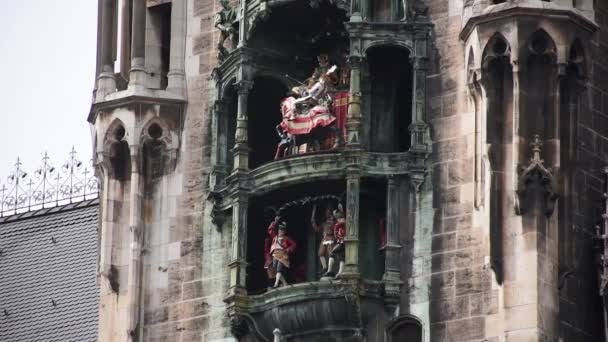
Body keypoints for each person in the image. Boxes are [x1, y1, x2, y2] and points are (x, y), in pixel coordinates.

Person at [268, 219, 297, 288]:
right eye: (280, 230)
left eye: (282, 231)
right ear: (278, 231)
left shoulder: (286, 238)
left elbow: (294, 244)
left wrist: (288, 249)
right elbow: (270, 230)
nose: (281, 232)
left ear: (284, 232)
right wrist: (275, 221)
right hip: (275, 254)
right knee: (275, 269)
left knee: (279, 269)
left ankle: (276, 284)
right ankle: (284, 283)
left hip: (283, 254)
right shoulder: (275, 237)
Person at [311, 204, 336, 274]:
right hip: (324, 239)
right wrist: (313, 221)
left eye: (328, 211)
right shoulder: (324, 223)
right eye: (326, 212)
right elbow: (317, 229)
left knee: (331, 254)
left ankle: (330, 270)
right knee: (320, 253)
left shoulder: (333, 221)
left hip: (331, 238)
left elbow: (335, 229)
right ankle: (325, 268)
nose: (327, 213)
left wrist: (332, 221)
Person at [324, 204, 346, 278]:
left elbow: (341, 223)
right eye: (338, 219)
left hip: (343, 243)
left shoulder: (343, 224)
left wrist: (340, 212)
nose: (339, 220)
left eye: (341, 218)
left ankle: (331, 271)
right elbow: (336, 233)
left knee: (333, 253)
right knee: (341, 257)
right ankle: (339, 272)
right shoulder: (338, 225)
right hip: (340, 242)